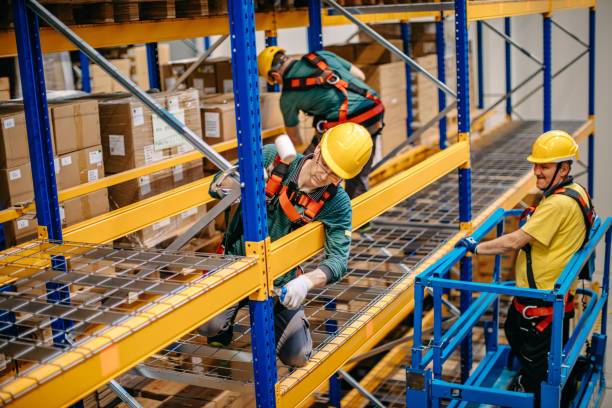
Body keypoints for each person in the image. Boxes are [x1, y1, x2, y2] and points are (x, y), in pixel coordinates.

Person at [198, 122, 373, 367]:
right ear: (319, 147)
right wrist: (242, 181)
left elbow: (338, 261)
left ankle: (268, 313)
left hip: (279, 281)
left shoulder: (337, 203)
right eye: (324, 164)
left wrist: (306, 281)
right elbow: (215, 186)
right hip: (234, 266)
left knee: (297, 355)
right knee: (209, 326)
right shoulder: (274, 157)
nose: (323, 175)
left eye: (335, 173)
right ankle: (223, 325)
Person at [456, 130, 596, 406]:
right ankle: (541, 385)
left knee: (537, 362)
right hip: (546, 293)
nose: (536, 172)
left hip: (542, 297)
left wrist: (475, 247)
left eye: (544, 166)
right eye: (536, 165)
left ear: (564, 168)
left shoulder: (557, 204)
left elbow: (515, 241)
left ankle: (536, 394)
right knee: (514, 332)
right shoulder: (575, 191)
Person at [257, 46, 385, 198]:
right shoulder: (320, 56)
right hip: (374, 111)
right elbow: (361, 76)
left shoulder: (288, 97)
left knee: (303, 166)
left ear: (275, 75)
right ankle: (361, 215)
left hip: (351, 121)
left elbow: (295, 140)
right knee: (357, 174)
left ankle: (304, 208)